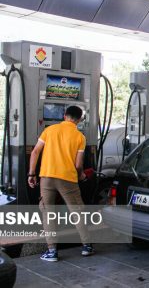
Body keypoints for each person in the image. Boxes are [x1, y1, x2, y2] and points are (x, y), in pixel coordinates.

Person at [28, 105, 94, 262]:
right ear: (79, 120)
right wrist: (82, 176)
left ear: (64, 116)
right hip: (68, 179)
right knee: (77, 211)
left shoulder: (49, 130)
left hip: (47, 177)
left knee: (48, 213)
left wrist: (31, 173)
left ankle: (52, 251)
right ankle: (86, 246)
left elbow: (35, 151)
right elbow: (78, 165)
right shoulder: (80, 137)